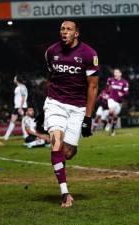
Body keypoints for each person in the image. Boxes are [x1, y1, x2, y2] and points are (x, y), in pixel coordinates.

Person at [43, 20, 99, 208]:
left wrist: (88, 119)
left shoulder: (89, 54)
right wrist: (46, 105)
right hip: (55, 104)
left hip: (77, 108)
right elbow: (49, 78)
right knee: (56, 144)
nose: (64, 32)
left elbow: (93, 86)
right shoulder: (51, 52)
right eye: (62, 29)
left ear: (76, 34)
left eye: (68, 29)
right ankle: (65, 193)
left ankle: (63, 158)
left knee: (68, 152)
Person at [3, 75, 28, 140]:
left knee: (24, 121)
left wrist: (20, 107)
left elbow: (23, 97)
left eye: (14, 78)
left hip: (22, 106)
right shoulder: (18, 87)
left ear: (17, 80)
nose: (13, 80)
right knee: (12, 120)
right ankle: (6, 136)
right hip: (17, 107)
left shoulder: (22, 87)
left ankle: (26, 135)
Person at [105, 68, 129, 136]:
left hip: (119, 102)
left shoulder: (124, 82)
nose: (115, 73)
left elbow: (127, 92)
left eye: (116, 72)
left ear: (120, 74)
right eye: (114, 72)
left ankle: (113, 129)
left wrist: (122, 94)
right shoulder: (110, 80)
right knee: (111, 111)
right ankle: (109, 123)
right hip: (111, 99)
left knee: (115, 116)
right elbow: (107, 89)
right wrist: (107, 86)